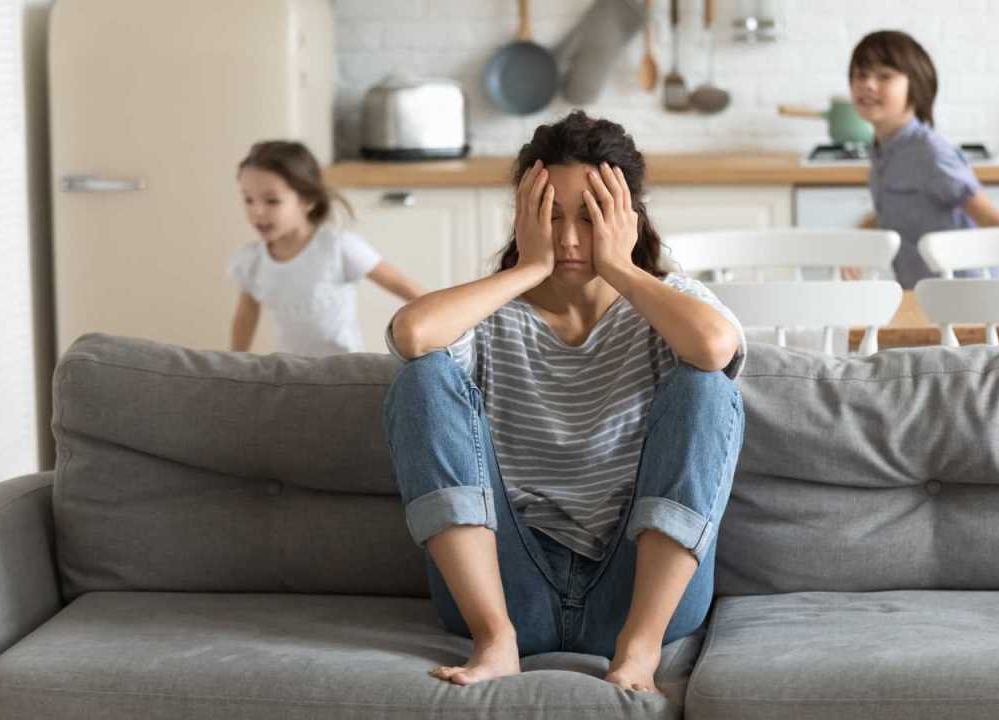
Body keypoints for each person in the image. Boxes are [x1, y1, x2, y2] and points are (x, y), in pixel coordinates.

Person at [382, 111, 746, 693]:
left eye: (592, 217)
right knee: (419, 378)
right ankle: (495, 642)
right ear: (523, 218)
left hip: (636, 596)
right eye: (550, 218)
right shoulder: (490, 317)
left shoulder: (667, 305)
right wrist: (528, 269)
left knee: (706, 383)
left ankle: (638, 651)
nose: (571, 239)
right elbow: (412, 336)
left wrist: (621, 268)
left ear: (628, 217)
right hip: (509, 589)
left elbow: (713, 347)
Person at [849, 30, 999, 287]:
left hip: (963, 295)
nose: (868, 84)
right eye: (860, 75)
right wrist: (857, 242)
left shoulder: (930, 152)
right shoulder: (883, 150)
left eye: (884, 76)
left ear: (916, 86)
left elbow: (989, 217)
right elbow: (897, 210)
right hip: (922, 293)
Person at [227, 140, 424, 355]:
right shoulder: (252, 262)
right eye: (248, 199)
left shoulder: (339, 248)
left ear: (308, 200)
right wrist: (235, 362)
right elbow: (246, 314)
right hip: (292, 373)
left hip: (344, 373)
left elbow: (404, 287)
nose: (257, 212)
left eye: (272, 201)